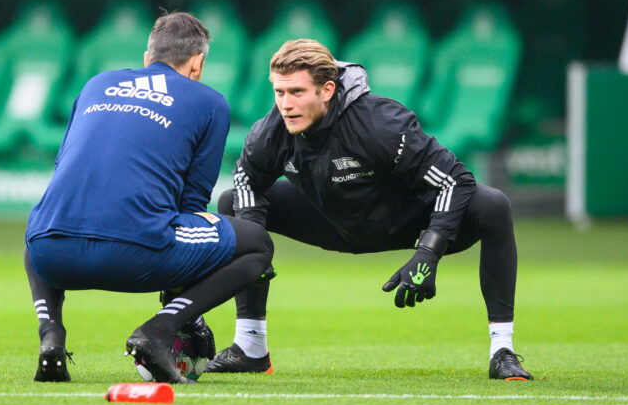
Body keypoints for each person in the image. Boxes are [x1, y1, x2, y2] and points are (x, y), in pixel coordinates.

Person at [207, 39, 532, 380]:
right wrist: (254, 247)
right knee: (233, 202)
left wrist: (429, 251)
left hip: (408, 222)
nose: (286, 105)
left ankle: (503, 351)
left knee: (493, 205)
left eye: (297, 92)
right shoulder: (270, 132)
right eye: (280, 92)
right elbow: (247, 181)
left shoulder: (380, 123)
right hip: (330, 221)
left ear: (327, 89)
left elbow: (456, 180)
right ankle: (251, 347)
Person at [23, 12, 273, 384]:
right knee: (257, 245)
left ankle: (51, 334)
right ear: (197, 63)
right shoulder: (210, 102)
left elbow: (65, 167)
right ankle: (160, 330)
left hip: (51, 256)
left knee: (44, 222)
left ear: (147, 57)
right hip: (137, 255)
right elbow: (191, 205)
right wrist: (183, 308)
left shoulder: (95, 85)